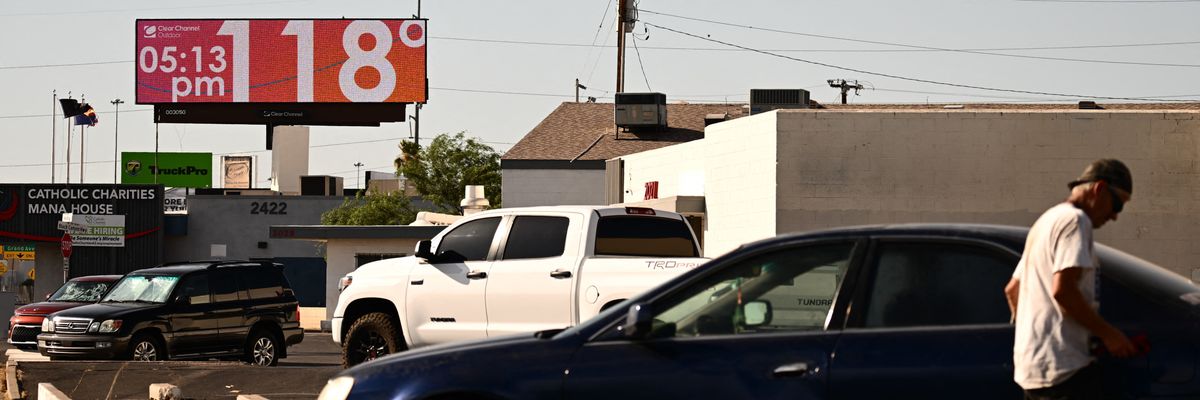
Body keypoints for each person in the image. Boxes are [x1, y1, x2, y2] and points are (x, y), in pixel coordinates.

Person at [1005, 159, 1139, 399]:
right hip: (1065, 370)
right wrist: (1109, 335)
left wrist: (1035, 337)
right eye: (1118, 204)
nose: (1115, 216)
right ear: (1099, 189)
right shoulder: (1077, 221)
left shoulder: (1046, 221)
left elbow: (1013, 289)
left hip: (1032, 371)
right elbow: (1064, 292)